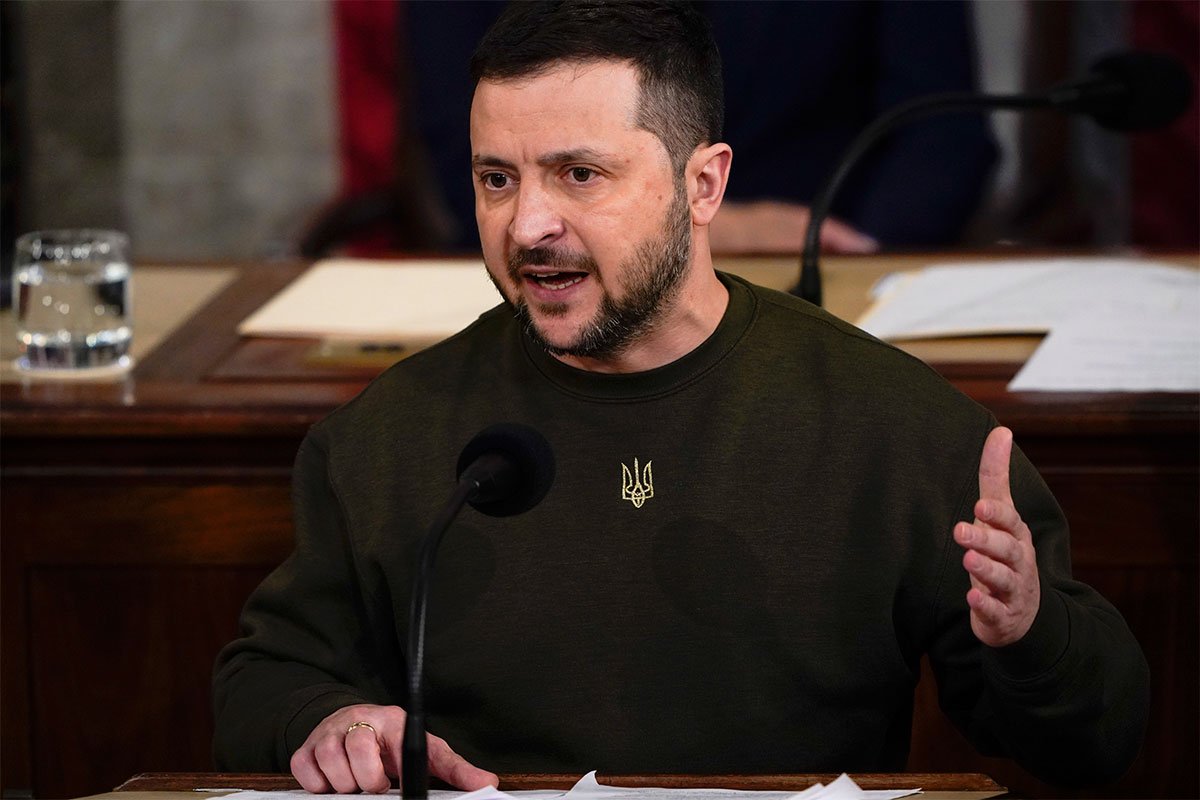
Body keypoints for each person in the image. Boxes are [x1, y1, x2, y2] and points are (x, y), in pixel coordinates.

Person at [213, 2, 1148, 792]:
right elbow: (265, 679)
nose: (527, 224)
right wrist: (328, 721)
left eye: (580, 175)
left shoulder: (898, 428)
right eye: (497, 179)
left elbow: (1100, 737)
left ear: (703, 184)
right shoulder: (386, 435)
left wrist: (1030, 634)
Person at [404, 0, 996, 255]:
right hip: (558, 262)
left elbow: (943, 133)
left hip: (820, 266)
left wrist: (848, 256)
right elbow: (468, 136)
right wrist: (698, 225)